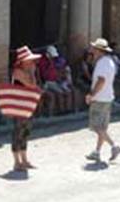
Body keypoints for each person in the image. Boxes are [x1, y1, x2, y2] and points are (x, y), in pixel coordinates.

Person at [85, 38, 120, 162]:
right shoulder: (109, 62)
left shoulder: (102, 63)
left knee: (96, 127)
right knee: (102, 127)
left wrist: (91, 94)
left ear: (98, 50)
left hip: (100, 98)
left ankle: (114, 145)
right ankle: (97, 152)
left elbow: (101, 81)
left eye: (94, 48)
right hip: (107, 97)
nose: (91, 50)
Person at [9, 45, 42, 173]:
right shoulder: (18, 72)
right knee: (18, 133)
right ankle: (17, 162)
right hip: (19, 106)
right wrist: (32, 72)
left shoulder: (27, 72)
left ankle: (24, 159)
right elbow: (32, 85)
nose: (32, 62)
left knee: (25, 132)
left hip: (27, 105)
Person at [39, 46, 73, 116]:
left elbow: (57, 72)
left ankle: (66, 109)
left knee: (67, 91)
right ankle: (60, 111)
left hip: (55, 81)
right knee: (59, 93)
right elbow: (45, 75)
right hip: (48, 82)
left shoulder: (54, 61)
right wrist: (50, 64)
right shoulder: (43, 62)